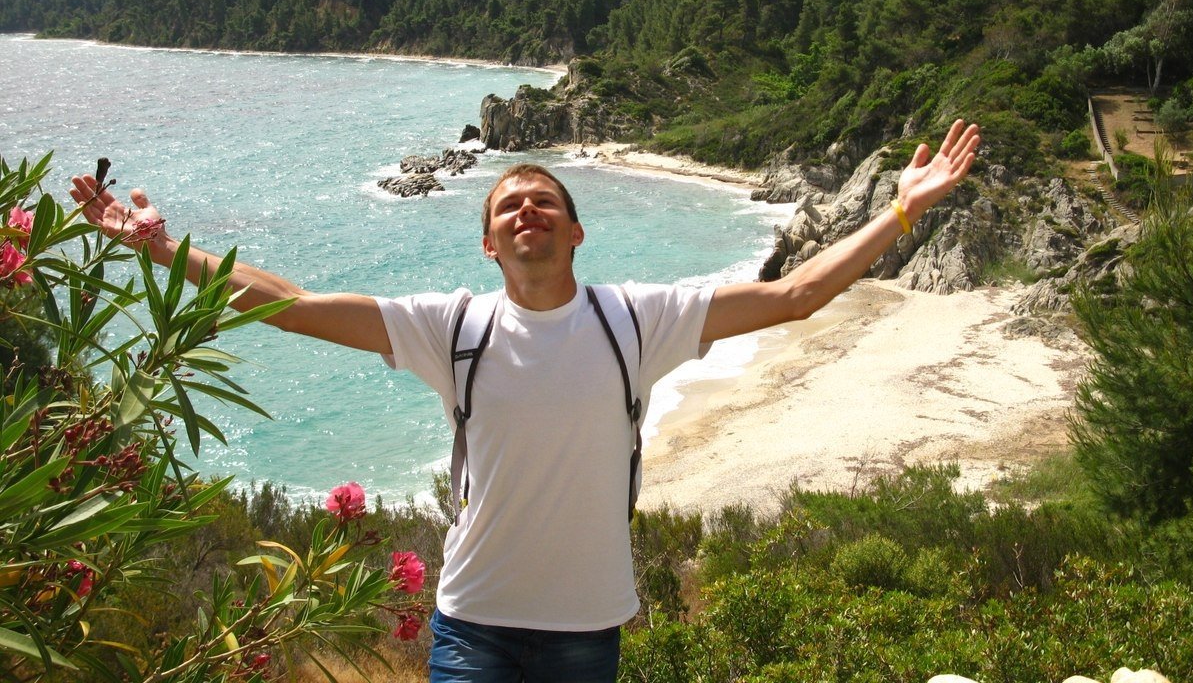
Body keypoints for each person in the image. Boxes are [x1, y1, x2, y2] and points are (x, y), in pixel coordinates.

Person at [70, 118, 980, 683]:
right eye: (508, 207)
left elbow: (795, 296)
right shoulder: (451, 327)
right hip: (473, 624)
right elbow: (295, 306)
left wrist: (903, 211)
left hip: (587, 628)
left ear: (576, 231)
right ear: (488, 244)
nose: (526, 211)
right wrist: (162, 249)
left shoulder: (639, 319)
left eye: (543, 201)